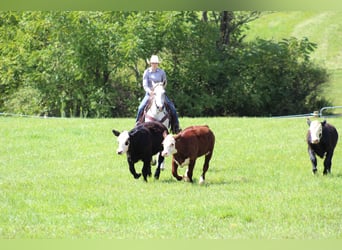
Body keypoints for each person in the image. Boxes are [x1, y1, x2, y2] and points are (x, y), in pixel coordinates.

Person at [136, 55, 180, 133]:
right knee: (140, 107)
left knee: (172, 108)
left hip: (160, 92)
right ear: (150, 63)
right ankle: (137, 125)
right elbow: (145, 85)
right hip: (150, 93)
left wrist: (161, 89)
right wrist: (150, 91)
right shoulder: (147, 72)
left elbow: (164, 82)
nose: (154, 64)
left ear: (158, 64)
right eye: (153, 63)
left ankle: (175, 126)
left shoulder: (162, 72)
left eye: (156, 63)